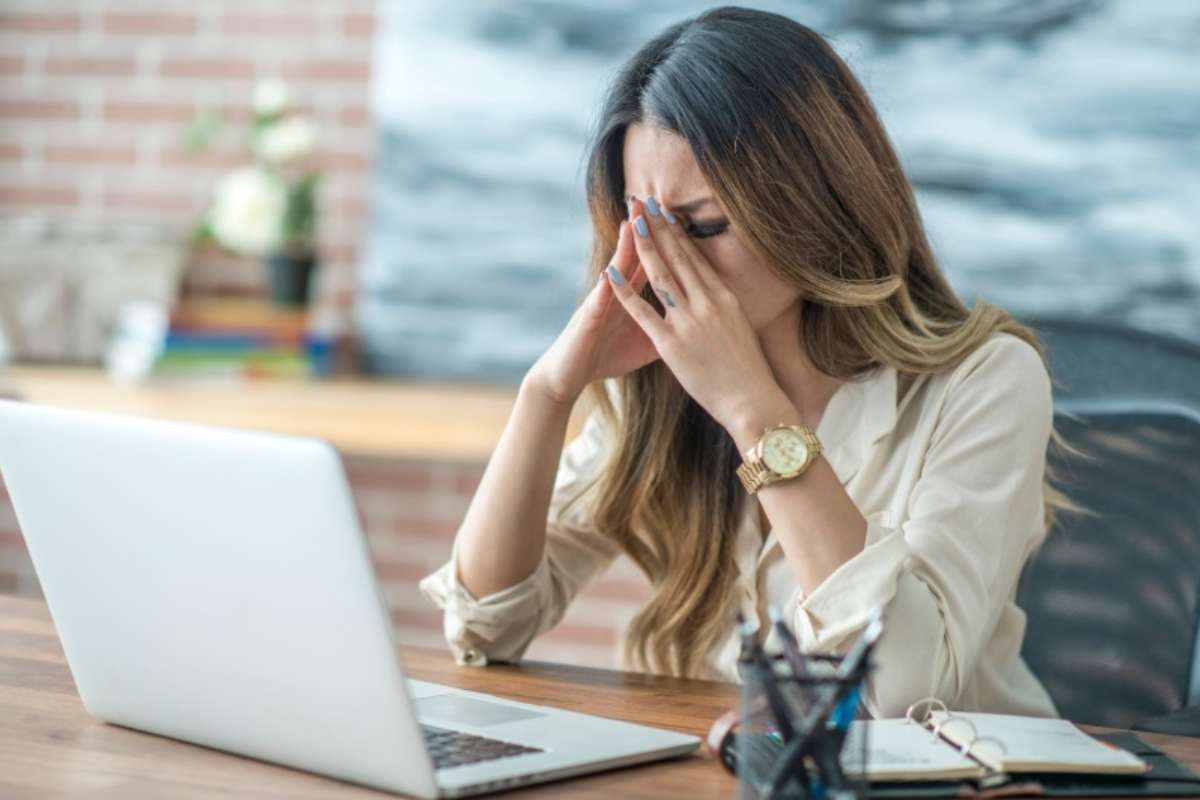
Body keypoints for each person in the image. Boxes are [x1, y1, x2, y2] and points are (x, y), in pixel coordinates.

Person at [420, 6, 1072, 718]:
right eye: (647, 225)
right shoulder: (662, 383)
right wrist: (548, 393)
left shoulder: (986, 381)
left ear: (815, 204)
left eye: (704, 226)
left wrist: (751, 412)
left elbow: (901, 695)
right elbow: (486, 627)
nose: (669, 262)